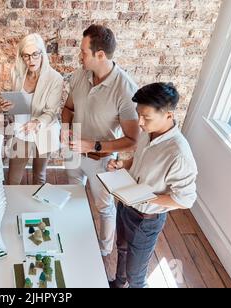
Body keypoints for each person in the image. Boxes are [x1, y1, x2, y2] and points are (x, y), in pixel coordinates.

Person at [108, 83, 198, 288]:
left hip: (145, 221)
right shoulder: (148, 132)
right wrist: (123, 164)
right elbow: (138, 161)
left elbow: (186, 199)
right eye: (138, 114)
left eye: (146, 117)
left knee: (136, 276)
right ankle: (118, 283)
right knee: (121, 249)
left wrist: (146, 197)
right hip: (125, 206)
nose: (139, 122)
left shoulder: (179, 154)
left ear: (168, 115)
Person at [61, 25, 139, 256]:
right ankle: (73, 236)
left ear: (100, 55)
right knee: (73, 195)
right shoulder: (79, 75)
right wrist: (65, 128)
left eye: (84, 52)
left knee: (104, 209)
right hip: (73, 154)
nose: (80, 56)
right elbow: (67, 108)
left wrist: (93, 146)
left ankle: (103, 253)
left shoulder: (126, 90)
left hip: (102, 162)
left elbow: (132, 140)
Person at [0, 34, 64, 185]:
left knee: (39, 176)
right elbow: (17, 104)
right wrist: (6, 108)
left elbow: (51, 111)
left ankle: (36, 208)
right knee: (13, 179)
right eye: (26, 56)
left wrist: (36, 122)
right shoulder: (16, 73)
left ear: (42, 53)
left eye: (35, 54)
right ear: (21, 56)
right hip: (22, 130)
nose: (31, 60)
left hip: (45, 130)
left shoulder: (55, 78)